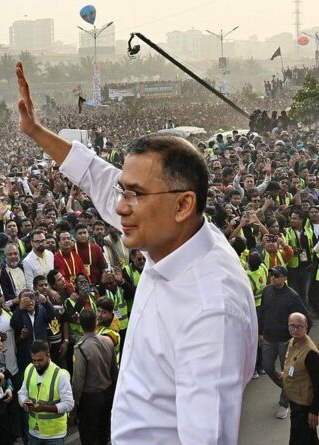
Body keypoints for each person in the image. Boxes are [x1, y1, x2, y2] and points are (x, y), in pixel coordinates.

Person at [16, 62, 257, 443]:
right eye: (122, 191)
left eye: (135, 194)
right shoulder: (172, 234)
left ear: (183, 204)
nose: (120, 206)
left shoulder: (211, 309)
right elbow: (95, 174)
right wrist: (35, 130)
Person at [260, 265, 311, 419]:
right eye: (272, 275)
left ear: (284, 278)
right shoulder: (266, 291)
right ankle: (290, 389)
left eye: (276, 276)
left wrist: (300, 340)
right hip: (268, 339)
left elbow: (306, 319)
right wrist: (260, 332)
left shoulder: (292, 297)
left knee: (288, 372)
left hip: (285, 342)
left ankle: (284, 403)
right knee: (268, 367)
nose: (273, 278)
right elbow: (262, 312)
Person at [72, 309, 116, 445]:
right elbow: (114, 371)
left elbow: (78, 380)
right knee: (104, 433)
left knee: (89, 436)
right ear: (95, 322)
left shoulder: (80, 348)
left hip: (90, 399)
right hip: (108, 393)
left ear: (80, 324)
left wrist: (75, 402)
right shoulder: (108, 341)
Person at [18, 340, 74, 445]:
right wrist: (24, 402)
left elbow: (69, 404)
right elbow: (22, 393)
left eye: (40, 360)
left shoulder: (60, 375)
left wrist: (45, 408)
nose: (36, 364)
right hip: (33, 433)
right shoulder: (29, 370)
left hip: (55, 435)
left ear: (48, 355)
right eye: (34, 360)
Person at [282, 312, 319, 445]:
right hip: (295, 400)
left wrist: (314, 411)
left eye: (299, 326)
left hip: (303, 406)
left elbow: (318, 384)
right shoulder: (292, 341)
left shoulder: (310, 353)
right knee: (309, 438)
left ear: (306, 327)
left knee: (298, 439)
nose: (295, 329)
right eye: (292, 326)